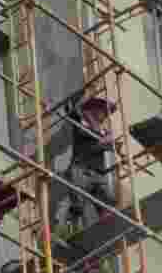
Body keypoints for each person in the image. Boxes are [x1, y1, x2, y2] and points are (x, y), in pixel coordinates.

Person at [44, 92, 118, 238]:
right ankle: (64, 233)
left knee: (106, 204)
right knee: (77, 205)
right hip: (81, 170)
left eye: (106, 112)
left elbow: (109, 145)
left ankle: (109, 232)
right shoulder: (82, 122)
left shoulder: (104, 131)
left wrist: (105, 140)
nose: (105, 115)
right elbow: (71, 111)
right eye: (102, 111)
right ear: (93, 110)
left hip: (98, 173)